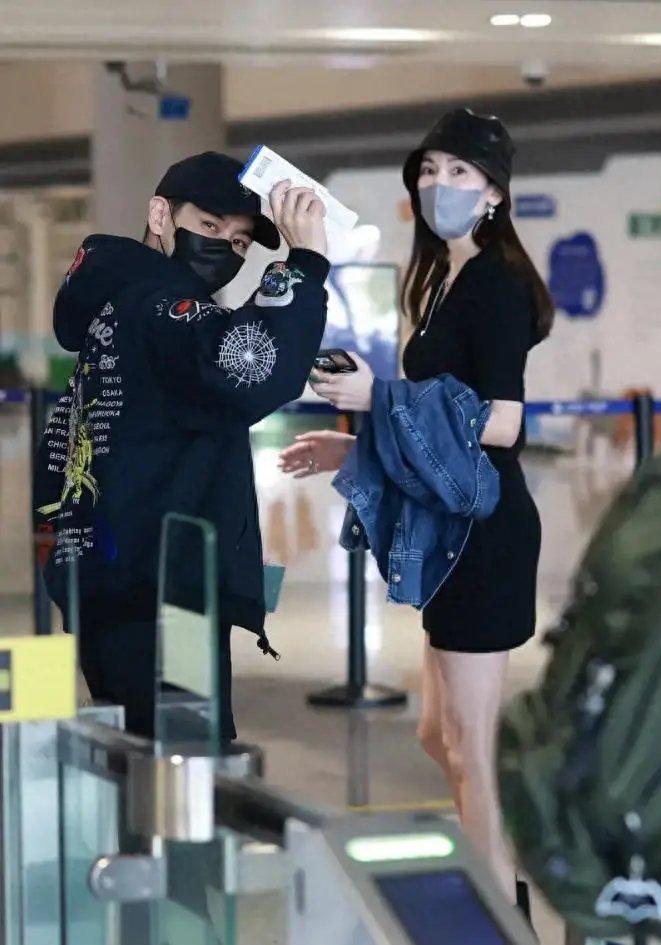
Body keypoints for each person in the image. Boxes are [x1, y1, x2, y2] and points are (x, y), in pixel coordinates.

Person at [280, 109, 553, 910]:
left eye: (459, 171)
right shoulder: (443, 282)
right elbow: (437, 428)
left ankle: (502, 911)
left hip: (484, 535)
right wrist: (355, 446)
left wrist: (380, 397)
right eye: (429, 170)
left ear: (495, 192)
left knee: (468, 747)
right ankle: (505, 862)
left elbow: (503, 424)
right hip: (452, 532)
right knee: (442, 735)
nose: (440, 184)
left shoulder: (495, 284)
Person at [35, 151, 329, 742]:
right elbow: (247, 368)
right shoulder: (157, 305)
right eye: (209, 225)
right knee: (186, 758)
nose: (222, 247)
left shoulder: (120, 300)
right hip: (164, 591)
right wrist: (308, 262)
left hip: (111, 578)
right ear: (160, 216)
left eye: (239, 240)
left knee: (134, 753)